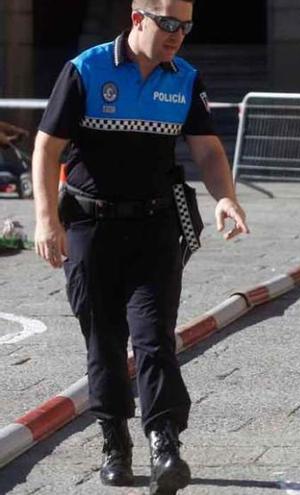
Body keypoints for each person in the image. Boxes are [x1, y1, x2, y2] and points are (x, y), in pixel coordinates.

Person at [31, 1, 249, 493]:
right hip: (90, 227)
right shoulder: (86, 70)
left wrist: (226, 199)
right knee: (104, 341)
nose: (177, 35)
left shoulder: (185, 78)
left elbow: (208, 149)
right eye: (168, 24)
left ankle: (165, 442)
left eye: (186, 25)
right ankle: (114, 442)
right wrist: (46, 221)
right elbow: (46, 147)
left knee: (154, 337)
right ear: (137, 19)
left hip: (155, 225)